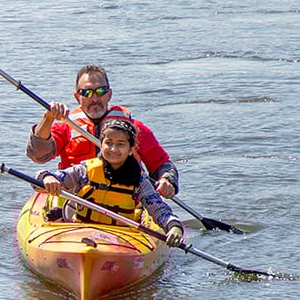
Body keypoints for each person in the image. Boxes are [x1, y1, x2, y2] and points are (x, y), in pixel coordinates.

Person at [26, 64, 179, 198]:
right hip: (75, 200)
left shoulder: (135, 129)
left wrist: (166, 180)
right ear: (77, 97)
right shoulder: (65, 127)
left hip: (126, 203)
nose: (94, 98)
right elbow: (38, 156)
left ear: (109, 94)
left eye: (100, 91)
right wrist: (48, 118)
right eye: (86, 92)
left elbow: (163, 164)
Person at [35, 119, 184, 247]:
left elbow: (158, 209)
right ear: (101, 144)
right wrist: (47, 178)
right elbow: (42, 179)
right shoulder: (84, 171)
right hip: (80, 233)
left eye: (120, 144)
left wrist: (174, 226)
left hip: (121, 238)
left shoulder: (138, 181)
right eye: (108, 143)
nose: (113, 149)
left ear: (131, 149)